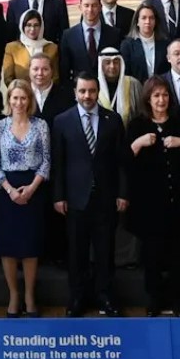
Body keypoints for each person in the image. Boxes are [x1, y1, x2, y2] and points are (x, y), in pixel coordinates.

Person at [52, 71, 129, 317]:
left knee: (105, 251)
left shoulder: (113, 120)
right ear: (75, 93)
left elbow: (121, 162)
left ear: (98, 92)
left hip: (106, 198)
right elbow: (58, 163)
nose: (87, 96)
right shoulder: (62, 121)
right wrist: (59, 196)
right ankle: (78, 297)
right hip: (75, 199)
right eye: (82, 91)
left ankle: (105, 296)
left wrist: (123, 193)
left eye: (92, 91)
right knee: (77, 252)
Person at [123, 78, 180, 317]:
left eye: (165, 95)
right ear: (148, 99)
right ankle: (154, 299)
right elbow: (125, 161)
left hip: (178, 201)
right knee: (152, 256)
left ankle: (179, 300)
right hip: (149, 204)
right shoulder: (137, 125)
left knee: (178, 255)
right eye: (156, 96)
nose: (161, 100)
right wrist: (139, 143)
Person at [0, 81, 49, 317]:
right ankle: (14, 295)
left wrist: (32, 188)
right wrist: (9, 189)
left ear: (29, 100)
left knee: (30, 245)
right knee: (9, 246)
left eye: (23, 98)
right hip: (7, 190)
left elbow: (46, 160)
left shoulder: (41, 125)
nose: (19, 102)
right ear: (9, 100)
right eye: (15, 98)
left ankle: (29, 296)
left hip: (33, 188)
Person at [1, 10, 56, 88]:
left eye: (36, 25)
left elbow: (55, 77)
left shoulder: (52, 48)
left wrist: (43, 92)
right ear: (22, 27)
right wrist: (22, 92)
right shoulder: (12, 48)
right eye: (28, 25)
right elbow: (8, 78)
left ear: (41, 27)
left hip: (46, 93)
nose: (32, 29)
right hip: (20, 93)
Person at [121, 5, 171, 80]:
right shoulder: (127, 45)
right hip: (136, 86)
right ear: (137, 22)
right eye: (144, 18)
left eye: (151, 18)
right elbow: (126, 73)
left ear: (155, 21)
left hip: (160, 85)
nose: (147, 21)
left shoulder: (165, 44)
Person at [95, 47, 142, 126]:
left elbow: (141, 113)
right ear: (101, 65)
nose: (112, 66)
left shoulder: (134, 84)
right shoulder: (94, 86)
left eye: (116, 62)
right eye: (107, 63)